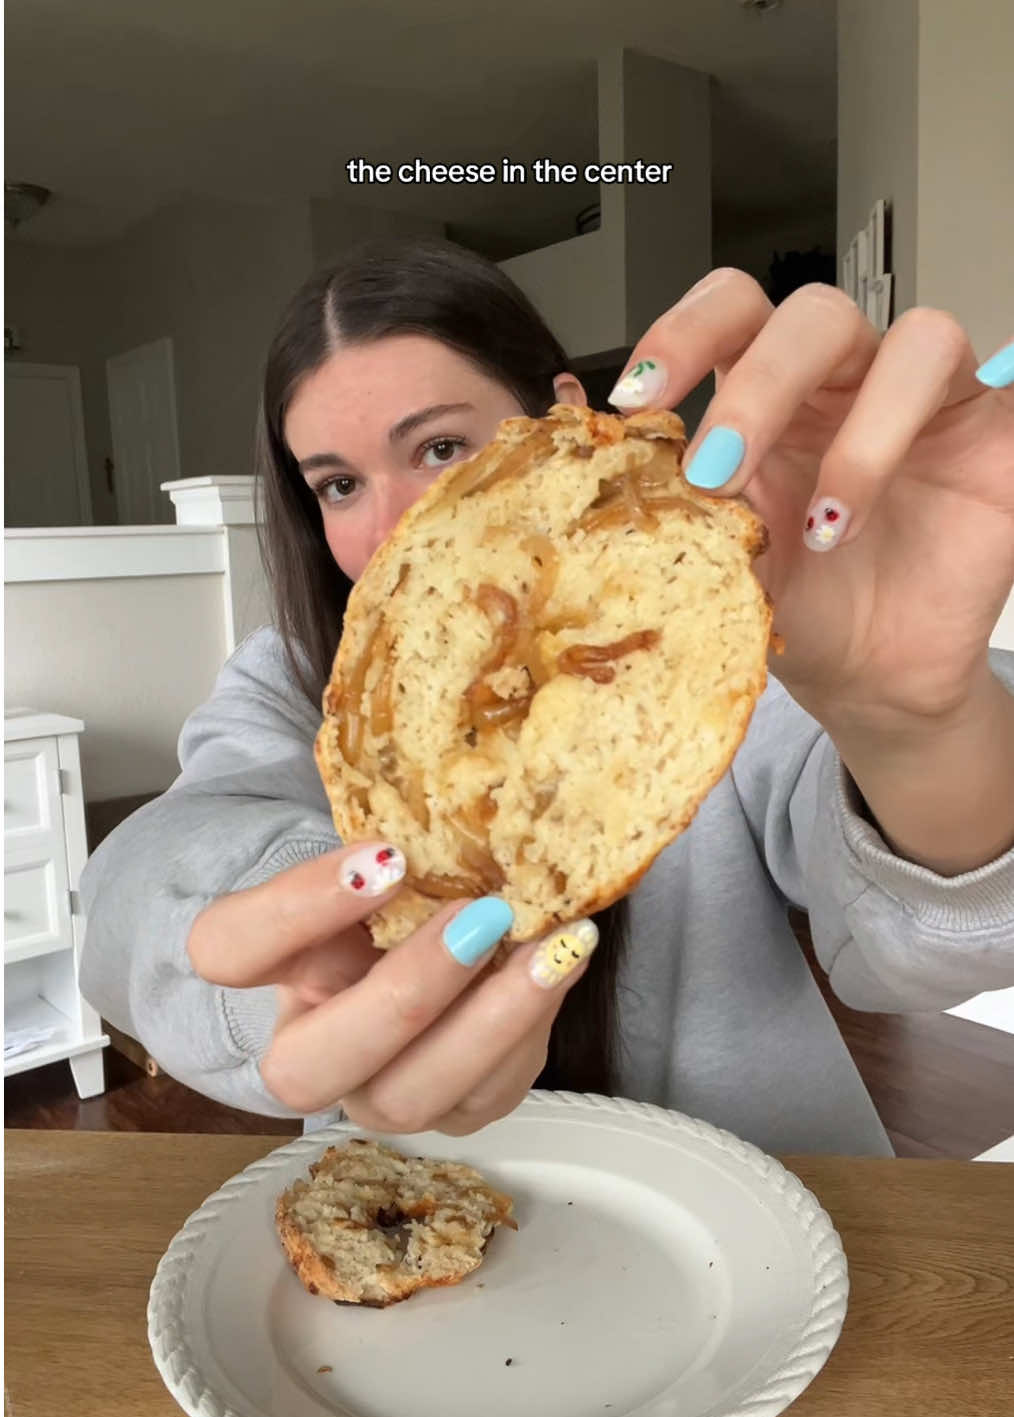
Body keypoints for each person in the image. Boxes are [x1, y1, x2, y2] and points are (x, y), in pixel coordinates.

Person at [79, 239, 1014, 1157]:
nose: (400, 527)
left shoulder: (703, 648)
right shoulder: (298, 682)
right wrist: (313, 938)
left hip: (775, 1216)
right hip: (441, 1248)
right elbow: (138, 892)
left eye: (441, 447)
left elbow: (922, 950)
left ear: (562, 420)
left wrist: (913, 724)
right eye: (339, 483)